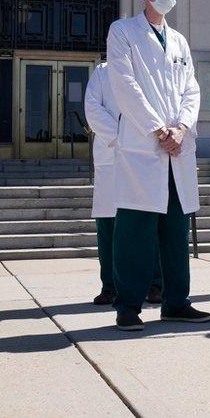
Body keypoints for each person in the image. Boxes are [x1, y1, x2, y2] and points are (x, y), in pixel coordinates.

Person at [107, 0, 210, 331]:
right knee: (135, 229)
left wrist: (181, 128)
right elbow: (124, 84)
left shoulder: (179, 41)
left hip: (177, 149)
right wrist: (158, 129)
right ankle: (128, 306)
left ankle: (177, 301)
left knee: (175, 229)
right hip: (143, 146)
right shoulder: (123, 32)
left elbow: (191, 90)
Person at [84, 62, 163, 306]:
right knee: (108, 226)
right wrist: (123, 135)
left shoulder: (148, 67)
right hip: (112, 154)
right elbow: (93, 109)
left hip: (145, 155)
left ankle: (155, 284)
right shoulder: (102, 72)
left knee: (148, 224)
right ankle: (110, 286)